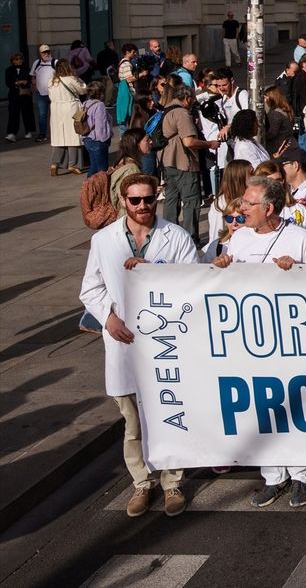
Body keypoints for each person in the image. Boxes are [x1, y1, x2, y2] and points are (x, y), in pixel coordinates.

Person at [80, 174, 198, 517]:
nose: (143, 206)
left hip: (165, 340)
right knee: (132, 421)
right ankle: (141, 484)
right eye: (136, 201)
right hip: (123, 340)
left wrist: (153, 273)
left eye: (149, 199)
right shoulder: (104, 241)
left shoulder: (175, 237)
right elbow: (90, 288)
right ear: (123, 201)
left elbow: (193, 282)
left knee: (167, 415)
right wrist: (108, 318)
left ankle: (172, 482)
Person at [211, 175, 306, 508]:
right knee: (261, 406)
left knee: (296, 405)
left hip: (291, 337)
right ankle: (273, 476)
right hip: (251, 339)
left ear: (268, 207)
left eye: (248, 203)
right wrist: (221, 267)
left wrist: (298, 270)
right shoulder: (238, 239)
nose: (241, 207)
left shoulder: (299, 237)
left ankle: (301, 475)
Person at [160, 85, 221, 244]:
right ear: (187, 98)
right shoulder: (181, 113)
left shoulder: (166, 109)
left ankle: (168, 236)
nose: (193, 102)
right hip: (183, 162)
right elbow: (188, 141)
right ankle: (190, 238)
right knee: (191, 201)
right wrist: (209, 144)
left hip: (167, 161)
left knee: (171, 200)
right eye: (192, 98)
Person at [48, 60, 87, 176]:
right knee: (73, 137)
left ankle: (55, 163)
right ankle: (73, 164)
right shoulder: (70, 79)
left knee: (59, 137)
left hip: (56, 109)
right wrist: (77, 77)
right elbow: (83, 89)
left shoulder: (51, 81)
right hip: (70, 108)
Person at [110, 129, 149, 214]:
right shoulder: (131, 169)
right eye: (147, 140)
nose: (151, 142)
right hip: (129, 216)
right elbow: (131, 198)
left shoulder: (123, 161)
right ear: (136, 144)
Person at [81, 81, 113, 175]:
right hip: (98, 141)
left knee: (94, 167)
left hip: (87, 139)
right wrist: (105, 140)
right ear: (101, 93)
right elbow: (101, 125)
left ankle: (88, 187)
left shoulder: (85, 103)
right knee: (102, 170)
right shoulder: (100, 105)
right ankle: (98, 188)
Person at [5, 51, 35, 141]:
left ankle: (28, 131)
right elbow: (8, 83)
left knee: (27, 113)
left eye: (20, 59)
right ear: (13, 61)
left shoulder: (27, 69)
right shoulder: (9, 70)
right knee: (13, 114)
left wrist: (26, 82)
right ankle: (12, 133)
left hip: (25, 94)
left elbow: (30, 80)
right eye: (17, 59)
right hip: (14, 95)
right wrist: (17, 83)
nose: (19, 61)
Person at [30, 44, 56, 141]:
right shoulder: (36, 63)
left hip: (54, 94)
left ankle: (55, 134)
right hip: (41, 94)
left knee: (55, 115)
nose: (46, 54)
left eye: (48, 52)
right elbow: (33, 75)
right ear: (40, 53)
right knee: (42, 115)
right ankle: (42, 134)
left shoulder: (55, 62)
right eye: (44, 52)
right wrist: (34, 86)